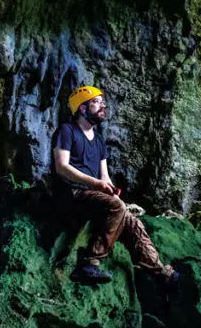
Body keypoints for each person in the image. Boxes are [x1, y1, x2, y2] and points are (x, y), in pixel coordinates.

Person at [52, 85, 179, 288]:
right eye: (96, 102)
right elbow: (62, 167)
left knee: (132, 221)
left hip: (92, 195)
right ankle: (88, 263)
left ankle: (161, 274)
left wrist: (113, 193)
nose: (103, 106)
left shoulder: (99, 141)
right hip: (71, 192)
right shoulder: (67, 131)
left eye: (103, 102)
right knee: (116, 207)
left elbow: (105, 176)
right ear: (82, 108)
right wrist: (96, 184)